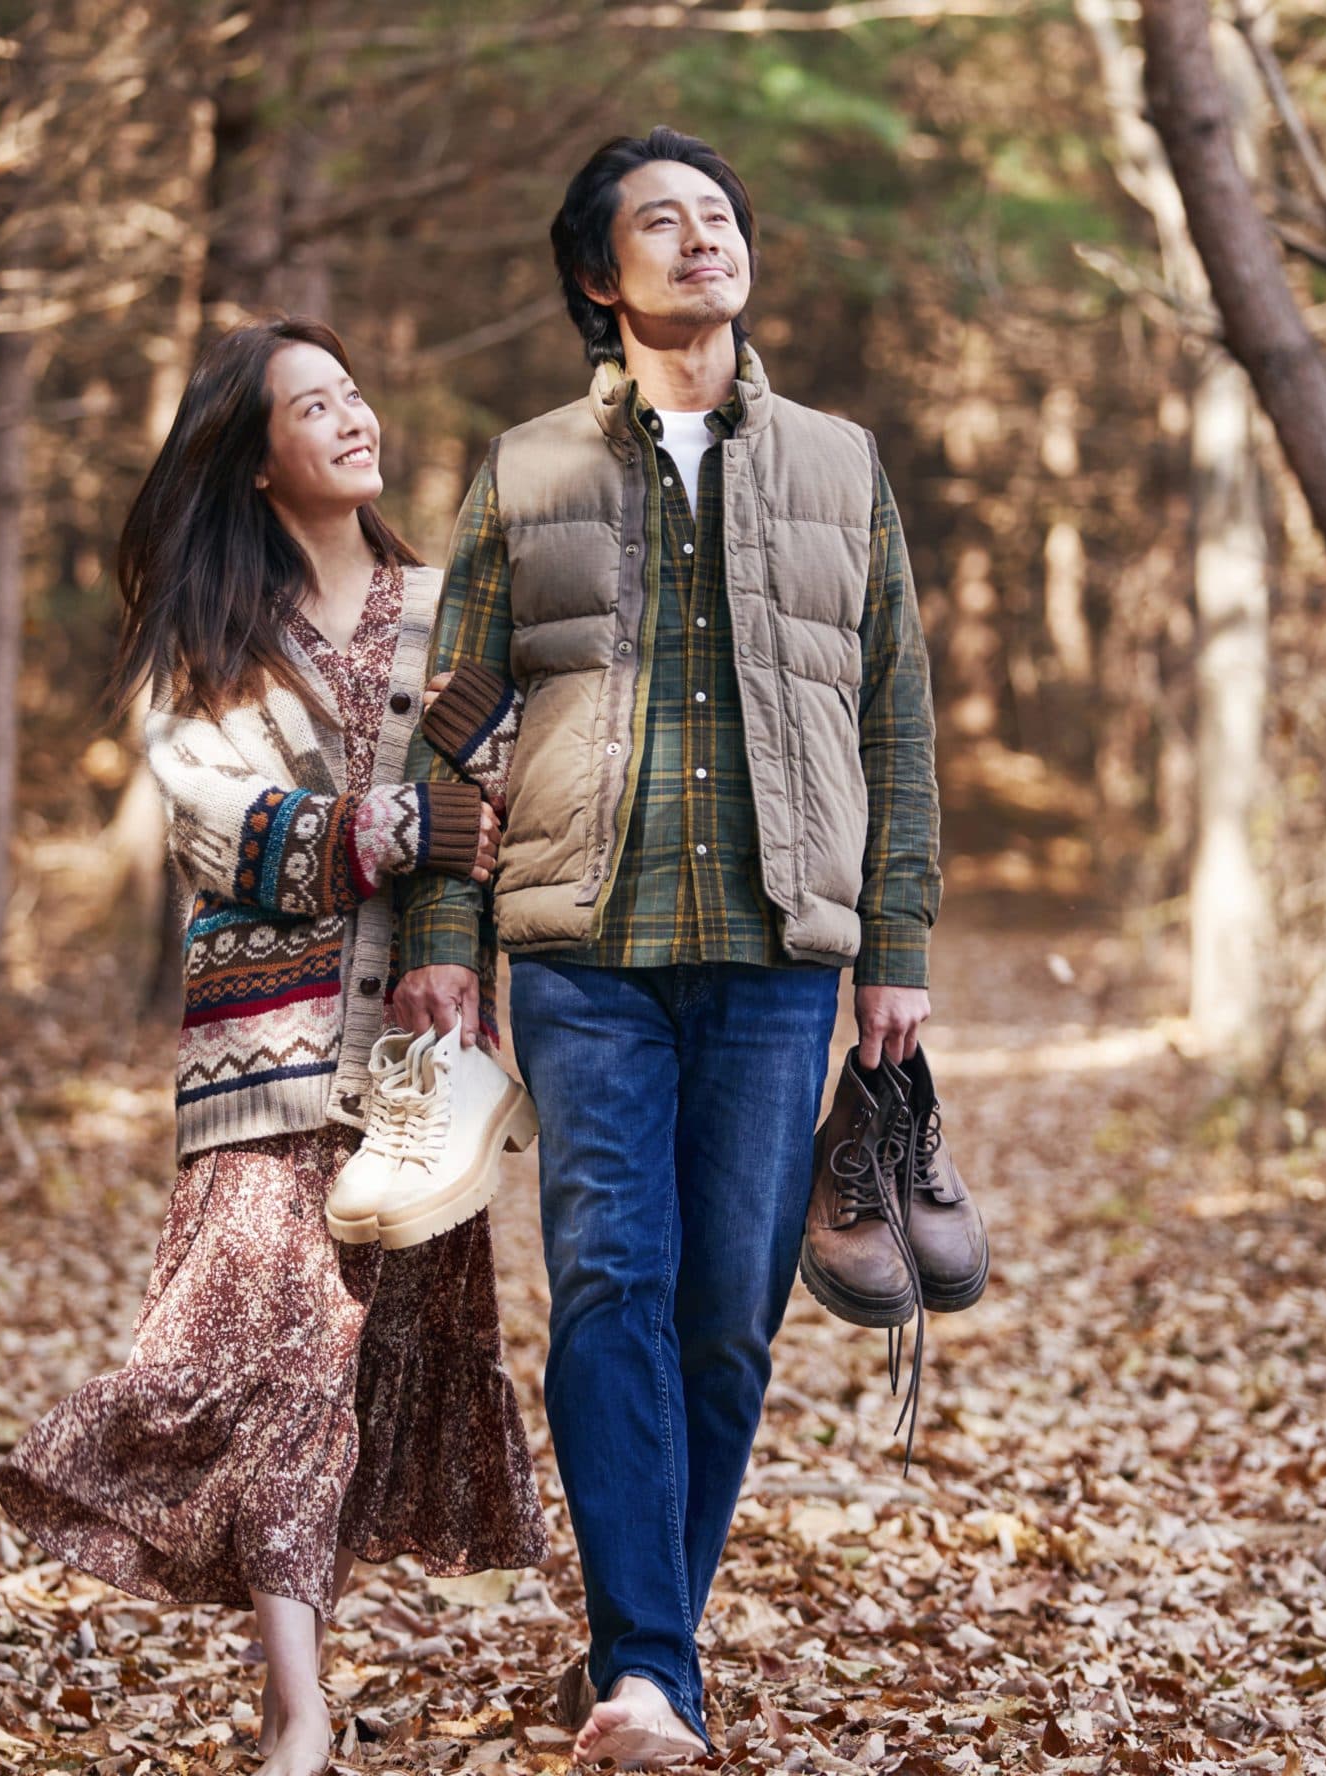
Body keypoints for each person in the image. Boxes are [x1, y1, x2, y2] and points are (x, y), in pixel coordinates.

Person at [397, 128, 944, 1768]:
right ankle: (649, 1669)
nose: (703, 241)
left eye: (719, 217)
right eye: (663, 221)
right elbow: (457, 729)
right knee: (610, 1287)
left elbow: (896, 719)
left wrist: (895, 941)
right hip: (584, 950)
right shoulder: (527, 470)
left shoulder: (844, 466)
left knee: (726, 1314)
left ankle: (649, 1654)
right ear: (597, 273)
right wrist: (441, 932)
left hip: (778, 951)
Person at [0, 318, 546, 1776]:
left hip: (425, 1065)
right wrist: (376, 826)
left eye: (355, 393)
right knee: (284, 1357)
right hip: (266, 1052)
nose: (354, 419)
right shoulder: (208, 646)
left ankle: (301, 1673)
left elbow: (481, 795)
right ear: (254, 462)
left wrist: (444, 932)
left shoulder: (452, 607)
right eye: (316, 406)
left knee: (379, 1363)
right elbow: (208, 823)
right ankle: (299, 1706)